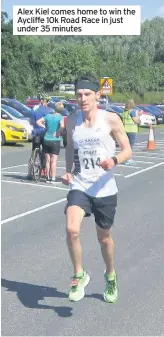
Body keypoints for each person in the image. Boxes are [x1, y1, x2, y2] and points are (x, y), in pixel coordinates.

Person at [62, 74, 132, 303]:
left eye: (87, 94)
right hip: (80, 184)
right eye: (79, 95)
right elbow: (71, 149)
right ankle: (79, 275)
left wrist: (114, 160)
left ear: (97, 95)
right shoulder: (71, 121)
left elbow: (127, 149)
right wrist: (68, 171)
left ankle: (110, 275)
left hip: (104, 188)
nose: (82, 99)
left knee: (104, 239)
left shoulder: (110, 119)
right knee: (72, 230)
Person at [36, 107, 64, 183]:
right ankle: (53, 178)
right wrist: (58, 132)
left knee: (48, 160)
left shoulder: (48, 116)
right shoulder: (60, 117)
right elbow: (62, 126)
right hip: (55, 140)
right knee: (53, 161)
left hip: (46, 139)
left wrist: (44, 127)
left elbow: (38, 121)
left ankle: (47, 177)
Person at [28, 97, 52, 179]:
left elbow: (31, 122)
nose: (47, 103)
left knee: (33, 152)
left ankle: (29, 173)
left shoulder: (34, 109)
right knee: (46, 153)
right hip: (45, 133)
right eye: (47, 101)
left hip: (36, 133)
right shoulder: (48, 110)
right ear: (45, 102)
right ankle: (45, 172)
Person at [122, 99, 141, 165]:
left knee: (126, 146)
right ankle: (128, 159)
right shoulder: (132, 112)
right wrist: (139, 115)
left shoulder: (124, 112)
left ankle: (126, 158)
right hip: (132, 130)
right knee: (130, 146)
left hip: (125, 130)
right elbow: (136, 121)